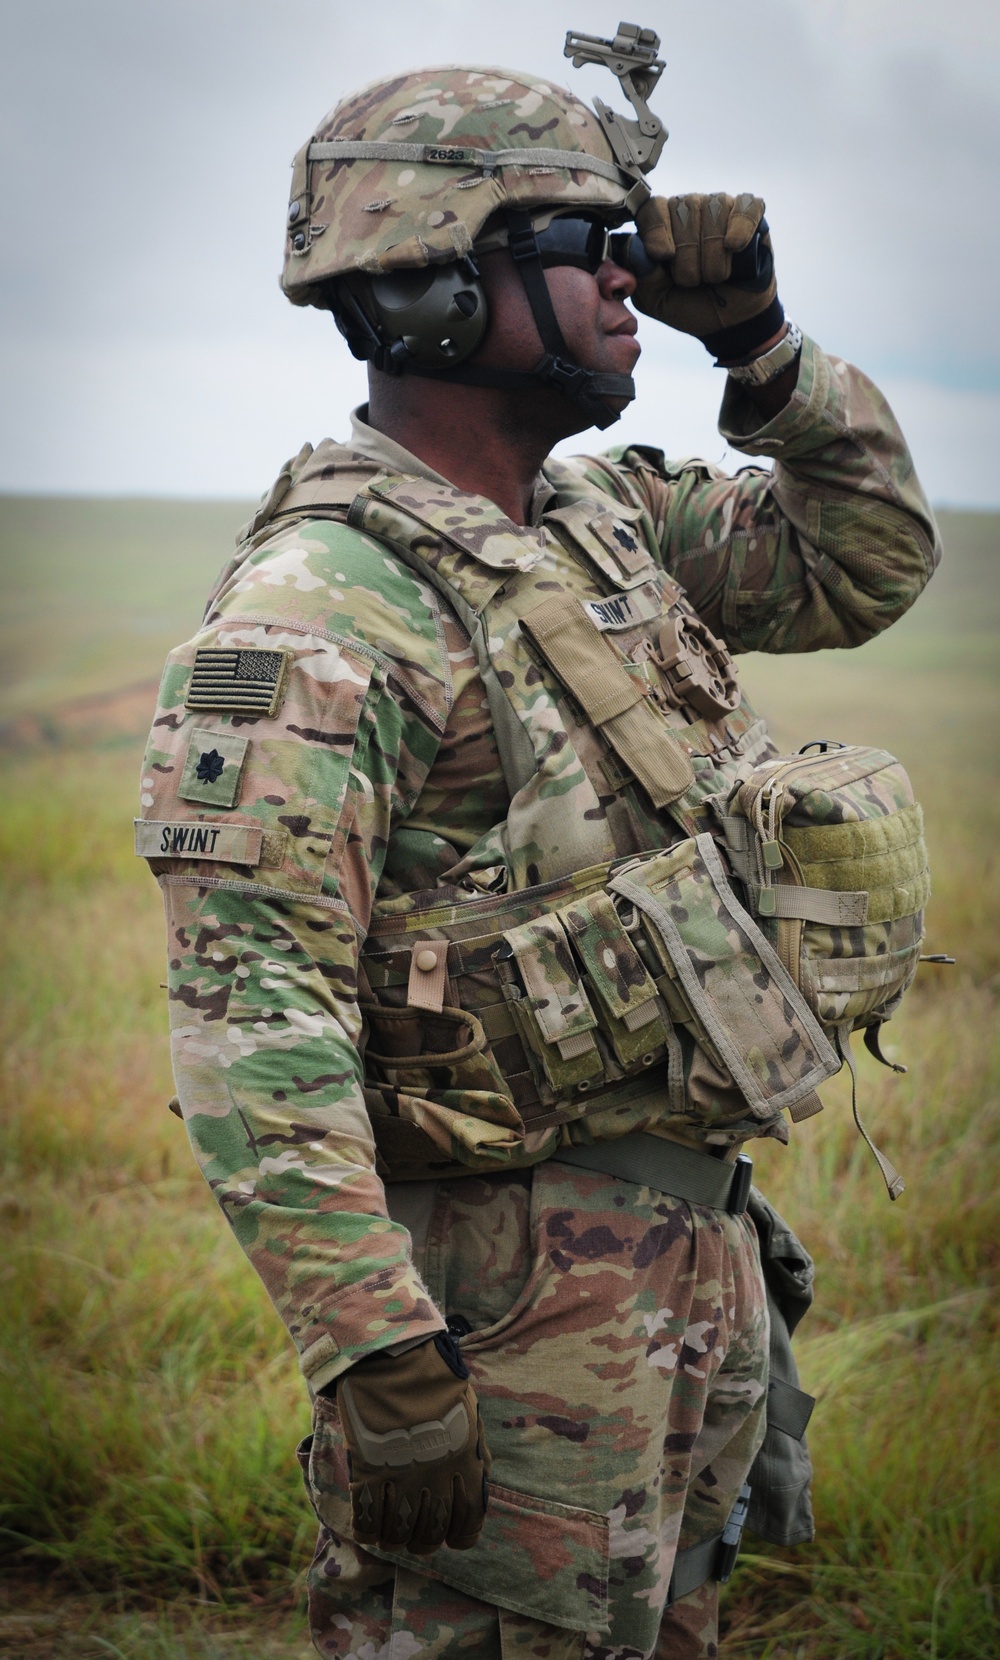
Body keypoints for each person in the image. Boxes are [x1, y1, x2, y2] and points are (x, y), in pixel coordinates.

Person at [137, 37, 940, 1660]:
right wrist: (372, 1348)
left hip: (690, 1259)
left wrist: (764, 347)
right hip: (497, 1307)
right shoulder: (325, 608)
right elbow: (252, 1013)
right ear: (433, 286)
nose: (632, 277)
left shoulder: (606, 523)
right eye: (587, 246)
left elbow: (868, 560)